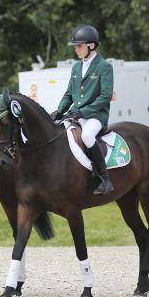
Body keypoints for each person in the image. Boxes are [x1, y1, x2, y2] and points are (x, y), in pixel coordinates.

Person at [52, 25, 115, 195]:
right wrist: (59, 111)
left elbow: (105, 96)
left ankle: (104, 178)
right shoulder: (76, 67)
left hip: (96, 115)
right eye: (75, 47)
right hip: (76, 114)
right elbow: (69, 94)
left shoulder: (104, 66)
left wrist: (83, 112)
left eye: (79, 46)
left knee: (87, 136)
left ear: (91, 46)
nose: (76, 50)